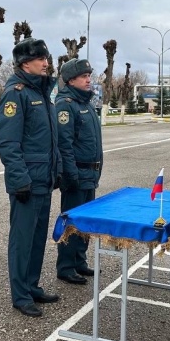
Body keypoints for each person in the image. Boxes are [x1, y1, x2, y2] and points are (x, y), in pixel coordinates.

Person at [0, 38, 61, 317]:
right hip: (28, 181)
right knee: (22, 239)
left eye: (46, 58)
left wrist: (55, 171)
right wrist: (19, 178)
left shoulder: (42, 93)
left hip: (43, 178)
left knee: (37, 238)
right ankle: (20, 295)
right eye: (41, 59)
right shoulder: (17, 94)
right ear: (25, 64)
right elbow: (8, 142)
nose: (46, 63)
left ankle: (32, 285)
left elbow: (48, 141)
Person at [55, 58, 102, 285]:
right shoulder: (66, 105)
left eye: (89, 76)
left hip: (89, 175)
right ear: (71, 80)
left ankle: (79, 261)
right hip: (76, 174)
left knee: (85, 222)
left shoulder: (86, 104)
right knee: (72, 223)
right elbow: (65, 144)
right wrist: (70, 174)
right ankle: (65, 266)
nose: (88, 80)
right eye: (84, 76)